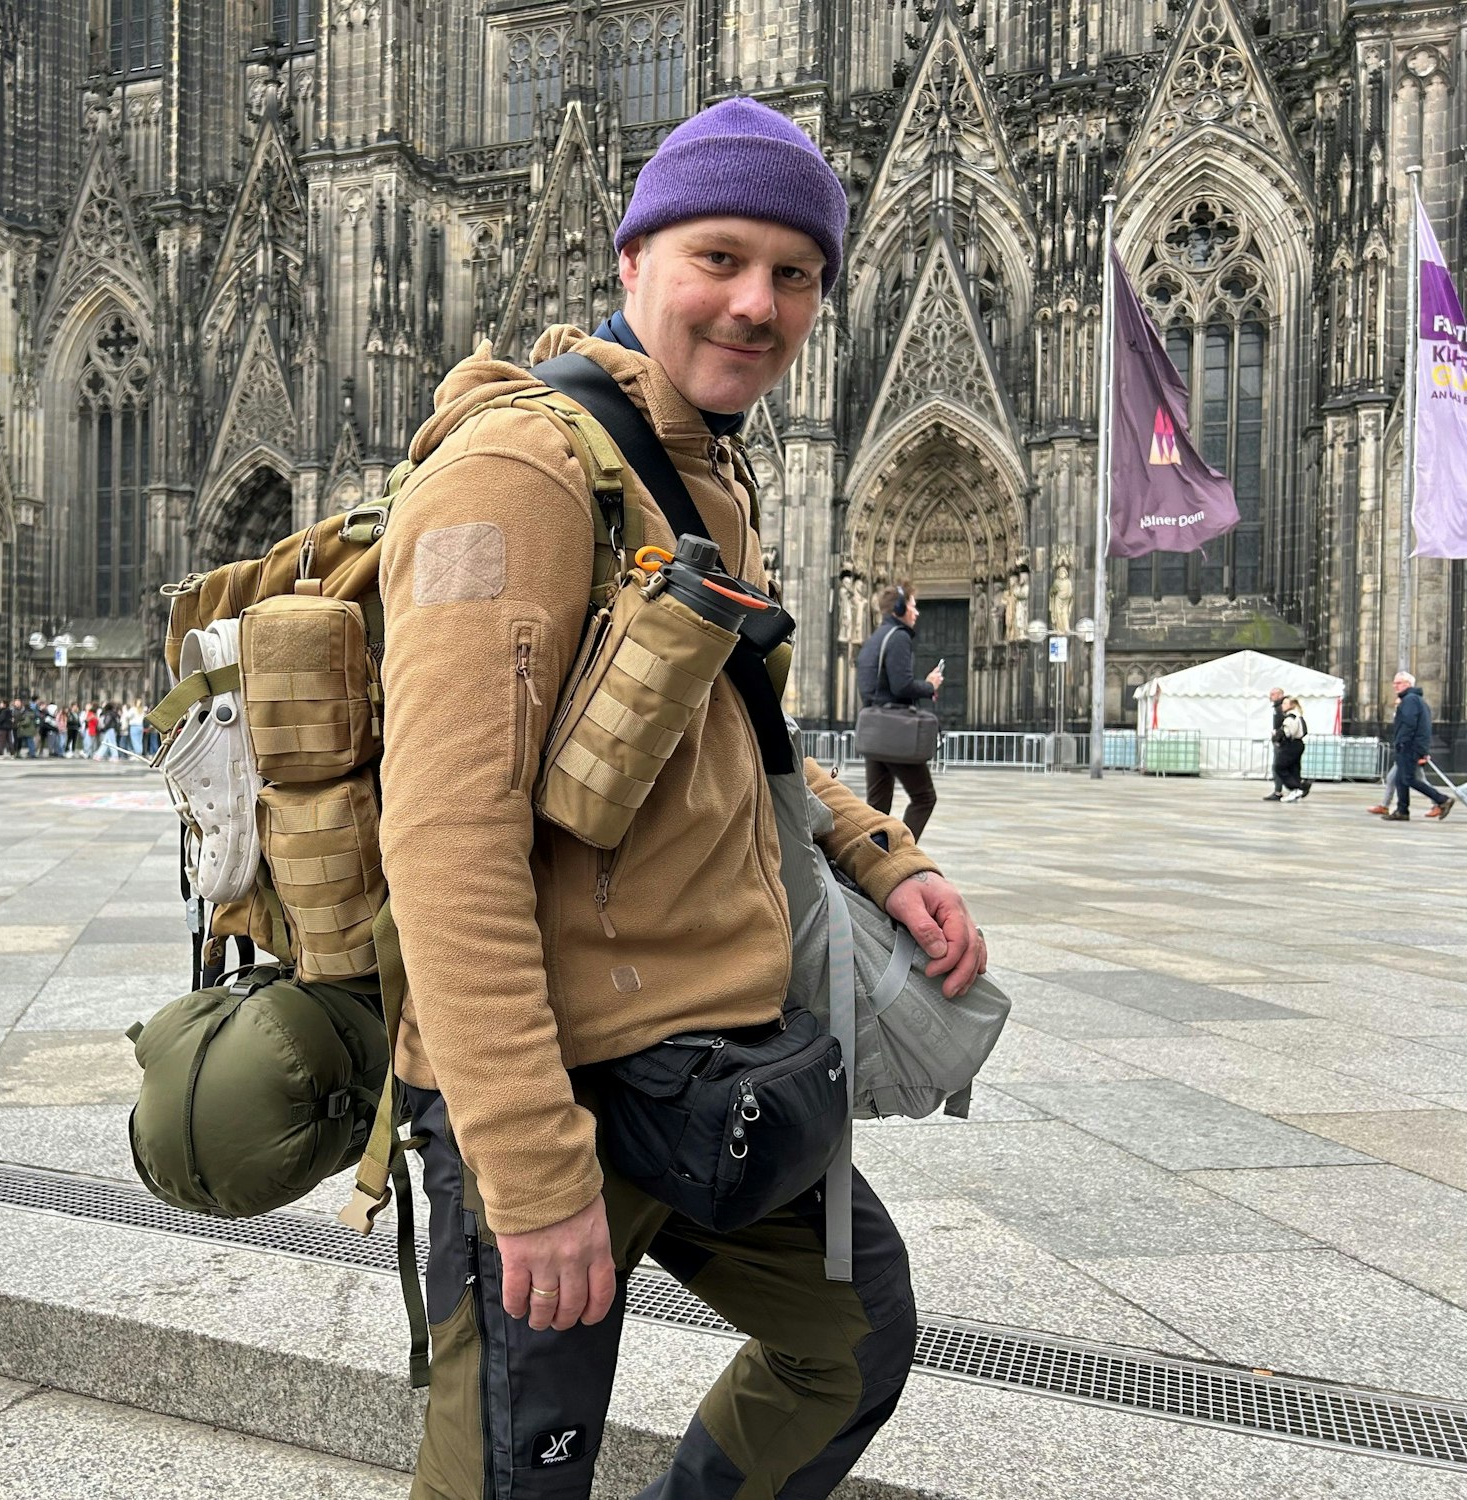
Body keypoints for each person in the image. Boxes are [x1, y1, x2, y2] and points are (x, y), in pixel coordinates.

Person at [375, 97, 986, 1498]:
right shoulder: (520, 470)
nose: (757, 303)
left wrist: (883, 855)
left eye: (794, 273)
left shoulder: (700, 468)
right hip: (552, 1083)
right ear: (633, 254)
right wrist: (531, 1172)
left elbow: (731, 724)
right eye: (720, 257)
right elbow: (446, 835)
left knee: (849, 1338)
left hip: (706, 1066)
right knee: (512, 1479)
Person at [855, 581, 944, 839]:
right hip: (894, 730)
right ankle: (902, 857)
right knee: (924, 797)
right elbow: (901, 685)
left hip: (874, 731)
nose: (916, 612)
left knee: (877, 808)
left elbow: (872, 688)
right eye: (913, 606)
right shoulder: (899, 637)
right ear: (899, 608)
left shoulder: (873, 640)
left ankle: (869, 863)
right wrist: (929, 685)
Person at [1386, 671, 1449, 821]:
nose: (1395, 686)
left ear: (1408, 684)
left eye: (1399, 683)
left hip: (1409, 746)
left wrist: (1403, 742)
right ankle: (1402, 810)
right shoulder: (1414, 700)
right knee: (1400, 779)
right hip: (1411, 745)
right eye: (1394, 683)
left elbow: (1409, 723)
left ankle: (1442, 800)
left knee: (1409, 779)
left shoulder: (1411, 700)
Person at [1271, 695, 1310, 803]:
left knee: (1279, 766)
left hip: (1292, 744)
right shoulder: (1298, 716)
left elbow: (1287, 732)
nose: (1282, 706)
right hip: (1298, 744)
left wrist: (1277, 737)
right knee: (1293, 768)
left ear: (1291, 705)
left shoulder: (1291, 717)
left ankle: (1295, 788)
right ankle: (1297, 789)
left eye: (1285, 703)